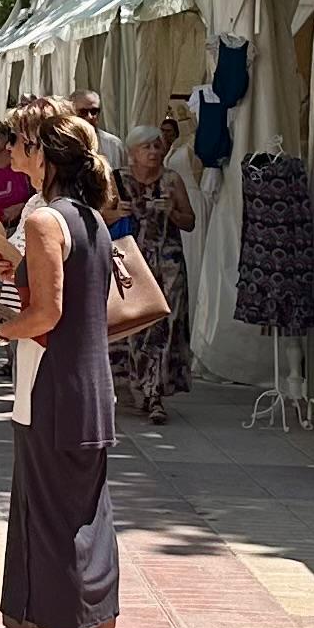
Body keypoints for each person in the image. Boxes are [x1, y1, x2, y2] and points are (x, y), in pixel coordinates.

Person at [0, 99, 122, 628]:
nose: (14, 152)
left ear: (43, 155)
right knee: (92, 518)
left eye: (22, 144)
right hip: (92, 386)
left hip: (53, 386)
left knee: (56, 523)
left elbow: (46, 313)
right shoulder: (92, 220)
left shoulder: (44, 220)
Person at [111, 127, 195, 424]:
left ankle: (156, 392)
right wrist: (115, 213)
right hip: (129, 261)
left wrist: (172, 211)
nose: (154, 152)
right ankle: (136, 385)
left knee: (166, 325)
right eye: (147, 146)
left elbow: (190, 222)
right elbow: (100, 215)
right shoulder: (117, 180)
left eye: (158, 146)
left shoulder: (172, 180)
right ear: (132, 152)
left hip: (167, 262)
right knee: (133, 325)